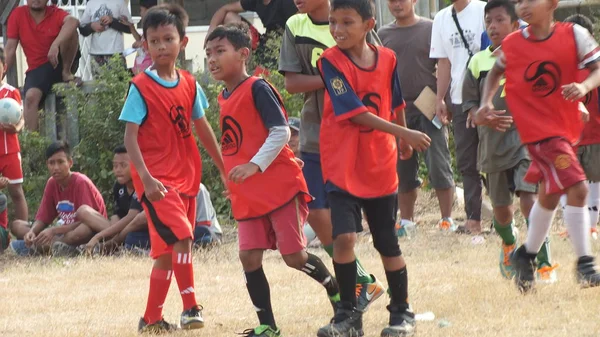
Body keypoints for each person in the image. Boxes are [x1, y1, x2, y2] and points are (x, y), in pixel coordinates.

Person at [206, 23, 339, 337]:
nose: (212, 59)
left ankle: (338, 291)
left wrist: (254, 166)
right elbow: (234, 145)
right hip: (249, 193)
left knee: (294, 257)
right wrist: (233, 179)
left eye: (220, 51)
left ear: (243, 54)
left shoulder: (257, 88)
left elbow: (280, 132)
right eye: (208, 53)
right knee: (248, 256)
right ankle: (268, 326)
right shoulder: (224, 97)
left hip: (279, 186)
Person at [315, 0, 431, 335]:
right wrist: (404, 132)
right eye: (333, 22)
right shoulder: (330, 61)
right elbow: (354, 112)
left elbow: (395, 100)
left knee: (386, 243)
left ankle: (401, 313)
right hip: (342, 165)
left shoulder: (388, 58)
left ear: (368, 25)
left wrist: (403, 138)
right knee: (345, 238)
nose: (337, 30)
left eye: (347, 22)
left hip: (379, 166)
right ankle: (348, 317)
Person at [477, 0, 600, 293]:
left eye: (530, 0)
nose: (523, 6)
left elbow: (596, 69)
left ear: (553, 4)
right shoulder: (513, 43)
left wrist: (584, 87)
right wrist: (485, 103)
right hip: (538, 134)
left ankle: (526, 255)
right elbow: (495, 73)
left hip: (566, 129)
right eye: (519, 1)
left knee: (549, 195)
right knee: (579, 188)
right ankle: (585, 264)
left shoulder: (574, 35)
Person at [119, 4, 227, 333]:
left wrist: (223, 167)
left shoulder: (190, 83)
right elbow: (130, 138)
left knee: (166, 253)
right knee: (183, 235)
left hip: (187, 178)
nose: (162, 46)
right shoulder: (140, 86)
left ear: (183, 42)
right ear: (145, 45)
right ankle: (191, 307)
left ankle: (150, 320)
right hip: (157, 183)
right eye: (154, 41)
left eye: (169, 39)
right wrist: (147, 179)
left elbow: (202, 127)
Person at [279, 0, 386, 313]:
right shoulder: (295, 26)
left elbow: (376, 67)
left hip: (356, 130)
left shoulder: (350, 15)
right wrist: (333, 77)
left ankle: (387, 297)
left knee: (354, 216)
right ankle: (363, 280)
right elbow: (292, 82)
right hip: (316, 131)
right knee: (312, 207)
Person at [464, 0, 556, 283]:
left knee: (529, 199)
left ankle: (543, 261)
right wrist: (483, 115)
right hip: (492, 148)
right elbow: (470, 111)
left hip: (526, 142)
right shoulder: (478, 62)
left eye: (500, 20)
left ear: (516, 25)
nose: (493, 26)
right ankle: (508, 242)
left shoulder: (531, 56)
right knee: (502, 211)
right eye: (488, 21)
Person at [378, 0, 455, 234]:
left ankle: (447, 219)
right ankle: (407, 220)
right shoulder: (382, 34)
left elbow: (444, 66)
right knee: (402, 166)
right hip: (397, 108)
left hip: (428, 103)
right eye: (392, 1)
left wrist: (445, 101)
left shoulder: (431, 28)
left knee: (438, 161)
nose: (397, 4)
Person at [430, 0, 486, 233]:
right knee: (467, 160)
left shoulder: (485, 9)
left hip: (489, 97)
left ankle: (507, 217)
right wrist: (440, 98)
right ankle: (474, 219)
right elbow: (444, 63)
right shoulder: (441, 18)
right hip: (459, 99)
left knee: (497, 158)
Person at [9, 141, 108, 257]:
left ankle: (41, 247)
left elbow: (87, 221)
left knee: (82, 231)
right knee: (17, 225)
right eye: (51, 163)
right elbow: (43, 218)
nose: (56, 167)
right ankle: (52, 246)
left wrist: (54, 231)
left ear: (70, 163)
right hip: (64, 232)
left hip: (85, 230)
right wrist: (32, 232)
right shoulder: (52, 183)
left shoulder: (81, 182)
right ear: (47, 164)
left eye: (61, 162)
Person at [5, 0, 81, 130]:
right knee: (30, 98)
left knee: (72, 31)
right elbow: (10, 49)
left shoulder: (55, 12)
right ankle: (33, 144)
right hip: (38, 69)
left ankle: (67, 73)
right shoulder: (18, 14)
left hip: (60, 62)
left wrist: (55, 44)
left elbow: (73, 21)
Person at [560, 14, 600, 241]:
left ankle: (592, 226)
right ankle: (573, 226)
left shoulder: (596, 67)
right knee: (568, 181)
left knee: (595, 179)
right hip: (567, 137)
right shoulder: (560, 65)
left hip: (595, 134)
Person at [83, 145, 149, 254]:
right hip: (124, 229)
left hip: (142, 230)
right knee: (83, 211)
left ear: (137, 165)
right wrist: (112, 230)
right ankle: (109, 244)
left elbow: (131, 216)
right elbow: (117, 213)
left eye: (123, 165)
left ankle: (111, 245)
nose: (118, 170)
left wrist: (99, 236)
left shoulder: (142, 183)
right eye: (115, 166)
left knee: (138, 219)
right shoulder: (118, 186)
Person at [206, 0, 298, 70]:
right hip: (265, 41)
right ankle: (246, 58)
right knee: (229, 16)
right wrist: (210, 31)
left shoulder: (286, 2)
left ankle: (254, 64)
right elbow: (224, 9)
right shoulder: (255, 1)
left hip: (283, 44)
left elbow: (299, 24)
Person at [0, 48, 28, 229]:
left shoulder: (11, 92)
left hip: (9, 149)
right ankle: (3, 232)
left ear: (4, 67)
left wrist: (15, 128)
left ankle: (23, 235)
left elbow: (21, 117)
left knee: (16, 192)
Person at [79, 0, 135, 74]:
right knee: (99, 84)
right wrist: (92, 26)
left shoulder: (120, 2)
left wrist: (112, 21)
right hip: (96, 54)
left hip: (116, 54)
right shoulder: (91, 3)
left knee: (118, 84)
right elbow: (82, 30)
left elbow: (129, 29)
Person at [132, 0, 157, 75]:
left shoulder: (155, 27)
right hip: (141, 68)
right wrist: (131, 26)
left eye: (141, 10)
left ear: (148, 11)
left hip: (149, 68)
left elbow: (154, 43)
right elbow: (141, 40)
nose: (140, 13)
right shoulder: (147, 26)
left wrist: (141, 44)